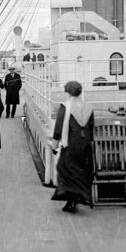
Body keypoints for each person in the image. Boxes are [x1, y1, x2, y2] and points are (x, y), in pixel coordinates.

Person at [50, 80, 94, 213]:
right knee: (80, 170)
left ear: (68, 92)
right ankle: (77, 197)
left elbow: (59, 127)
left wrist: (55, 144)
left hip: (71, 143)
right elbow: (91, 126)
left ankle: (71, 199)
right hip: (84, 143)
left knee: (64, 168)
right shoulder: (88, 107)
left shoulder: (66, 106)